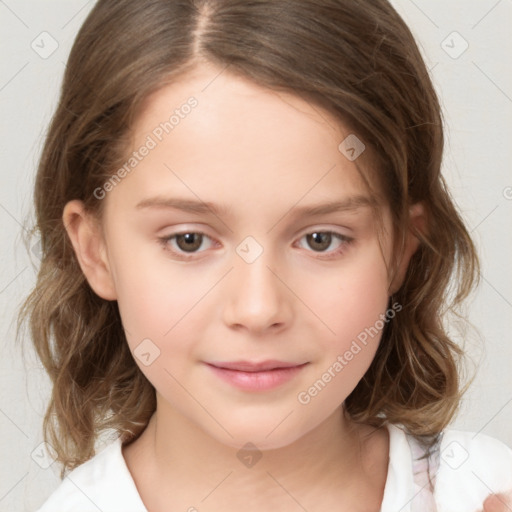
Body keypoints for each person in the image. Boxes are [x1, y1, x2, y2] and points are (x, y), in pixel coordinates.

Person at [18, 0, 512, 511]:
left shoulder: (483, 488)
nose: (258, 309)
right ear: (94, 251)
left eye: (321, 239)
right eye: (189, 240)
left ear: (401, 248)